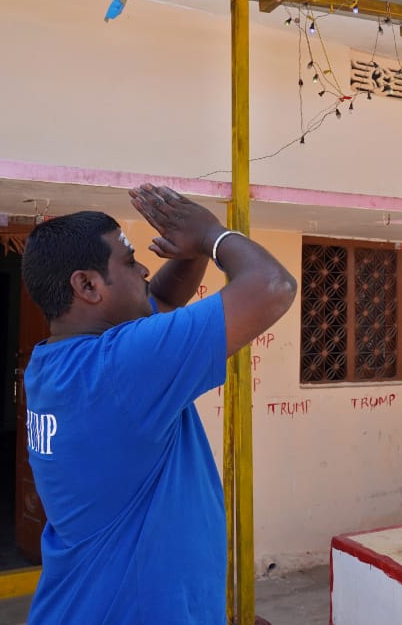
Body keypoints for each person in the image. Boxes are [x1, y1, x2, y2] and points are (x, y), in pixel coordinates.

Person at [20, 183, 297, 622]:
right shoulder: (120, 368)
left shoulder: (56, 364)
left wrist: (190, 253)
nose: (145, 269)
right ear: (87, 285)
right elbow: (272, 286)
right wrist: (211, 235)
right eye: (130, 262)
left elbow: (163, 302)